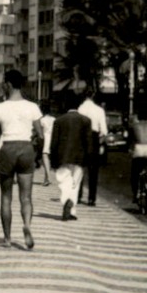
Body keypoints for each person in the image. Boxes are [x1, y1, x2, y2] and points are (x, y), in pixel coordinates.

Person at [0, 69, 44, 250]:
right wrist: (37, 154)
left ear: (8, 84)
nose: (2, 86)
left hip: (8, 148)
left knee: (6, 197)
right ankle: (27, 225)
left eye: (3, 82)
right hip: (26, 149)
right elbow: (40, 135)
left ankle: (8, 238)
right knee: (26, 197)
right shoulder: (32, 107)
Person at [48, 92, 94, 223]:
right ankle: (72, 209)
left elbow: (54, 142)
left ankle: (66, 201)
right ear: (79, 105)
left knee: (64, 181)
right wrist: (89, 158)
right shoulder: (86, 120)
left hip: (63, 157)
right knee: (76, 183)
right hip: (79, 157)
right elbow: (88, 142)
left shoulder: (59, 120)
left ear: (65, 105)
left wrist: (52, 160)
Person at [77, 89, 108, 207]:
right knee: (93, 171)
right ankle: (91, 198)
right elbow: (103, 131)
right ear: (93, 95)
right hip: (94, 138)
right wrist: (99, 143)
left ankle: (78, 195)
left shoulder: (80, 109)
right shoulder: (99, 110)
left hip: (82, 138)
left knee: (80, 168)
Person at [129, 104, 147, 212]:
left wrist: (129, 148)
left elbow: (130, 139)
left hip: (138, 149)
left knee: (134, 173)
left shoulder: (134, 125)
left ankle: (135, 194)